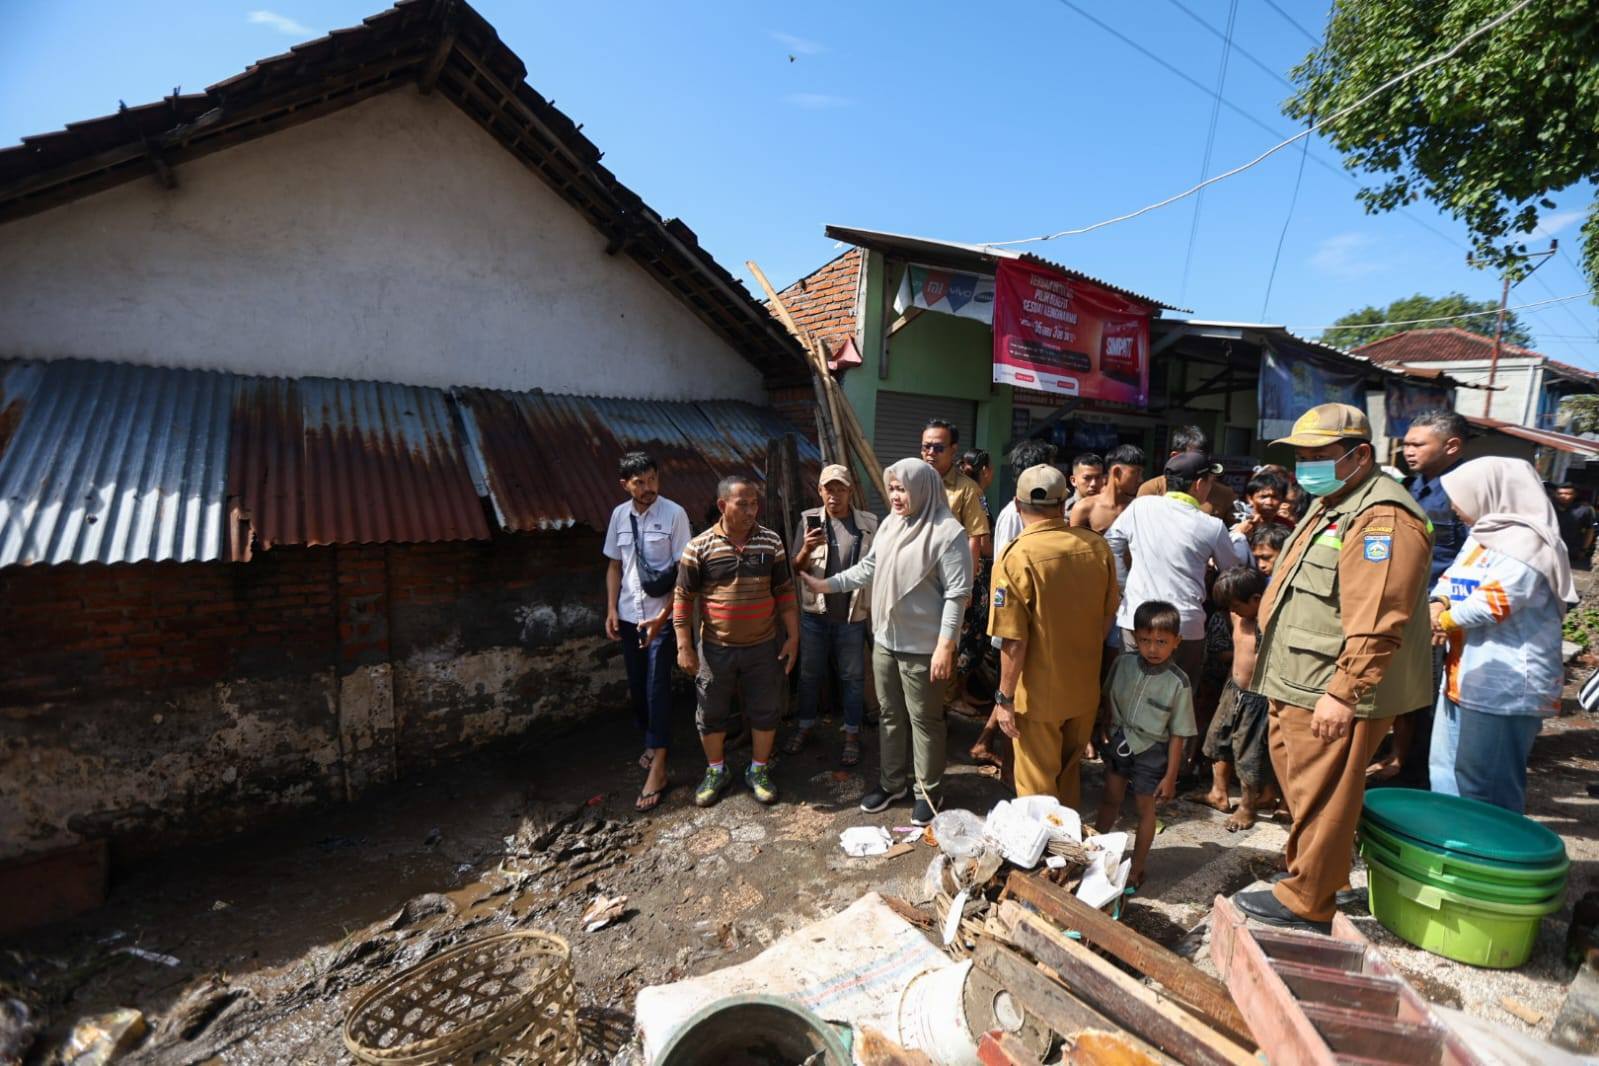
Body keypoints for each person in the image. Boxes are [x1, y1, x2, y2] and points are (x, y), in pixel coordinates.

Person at [1236, 404, 1432, 933]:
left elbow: (1378, 616)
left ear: (1359, 455)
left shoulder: (1382, 517)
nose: (1305, 468)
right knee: (1306, 786)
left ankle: (1308, 898)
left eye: (1318, 456)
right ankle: (1322, 874)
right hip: (1300, 676)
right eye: (1301, 457)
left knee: (1324, 793)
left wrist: (1343, 693)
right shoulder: (1334, 503)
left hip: (1330, 684)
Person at [803, 459, 973, 826]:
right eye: (892, 488)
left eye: (902, 488)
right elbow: (869, 568)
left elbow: (958, 593)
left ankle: (928, 791)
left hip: (924, 647)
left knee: (925, 721)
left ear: (924, 489)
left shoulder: (948, 532)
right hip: (886, 640)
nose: (895, 496)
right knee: (890, 716)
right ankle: (892, 783)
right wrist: (827, 584)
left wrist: (946, 645)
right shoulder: (892, 525)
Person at [1429, 457, 1577, 812]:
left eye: (1459, 497)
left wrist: (1440, 621)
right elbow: (1451, 578)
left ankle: (1489, 861)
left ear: (1490, 492)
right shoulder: (1482, 535)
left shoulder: (1530, 542)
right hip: (1462, 675)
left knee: (1486, 787)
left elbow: (1495, 602)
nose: (1452, 507)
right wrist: (1438, 602)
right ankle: (1453, 849)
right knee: (1446, 774)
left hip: (1504, 685)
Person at [986, 465, 1120, 807]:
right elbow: (1107, 617)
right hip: (1083, 689)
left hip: (1038, 696)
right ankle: (1070, 853)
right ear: (1064, 503)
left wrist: (1004, 698)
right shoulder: (1096, 547)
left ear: (1017, 505)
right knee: (1068, 777)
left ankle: (1047, 858)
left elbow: (1013, 639)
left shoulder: (1017, 556)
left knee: (1036, 792)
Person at [673, 476, 800, 808]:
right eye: (742, 503)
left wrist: (793, 637)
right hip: (715, 649)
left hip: (763, 646)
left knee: (766, 710)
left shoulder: (770, 542)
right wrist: (683, 645)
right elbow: (683, 598)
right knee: (711, 712)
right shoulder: (698, 547)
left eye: (754, 503)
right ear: (722, 506)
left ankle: (758, 770)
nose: (750, 510)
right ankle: (716, 770)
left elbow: (784, 592)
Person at [1105, 452, 1250, 682]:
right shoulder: (1212, 526)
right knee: (1178, 699)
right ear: (1199, 484)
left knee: (1130, 694)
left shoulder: (1139, 507)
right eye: (1210, 483)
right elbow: (1232, 570)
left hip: (1135, 617)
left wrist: (1123, 586)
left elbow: (1110, 544)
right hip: (1184, 626)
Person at [1383, 409, 1471, 785]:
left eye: (1419, 444)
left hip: (1441, 614)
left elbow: (1471, 562)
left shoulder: (1467, 491)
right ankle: (1400, 758)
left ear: (1451, 446)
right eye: (1406, 444)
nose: (1408, 451)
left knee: (1431, 700)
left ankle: (1421, 774)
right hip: (1406, 606)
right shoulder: (1412, 486)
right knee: (1405, 690)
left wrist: (1445, 611)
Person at [603, 452, 694, 812]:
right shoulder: (618, 516)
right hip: (628, 615)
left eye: (652, 479)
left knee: (657, 687)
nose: (648, 488)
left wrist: (663, 620)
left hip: (662, 617)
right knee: (638, 687)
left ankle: (659, 767)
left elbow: (684, 572)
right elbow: (614, 565)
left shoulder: (674, 514)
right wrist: (611, 608)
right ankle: (651, 741)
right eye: (639, 482)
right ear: (625, 484)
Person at [1095, 600, 1197, 888]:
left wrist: (1171, 776)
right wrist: (1104, 726)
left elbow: (1179, 733)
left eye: (1162, 642)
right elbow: (1107, 699)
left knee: (1145, 810)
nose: (1153, 649)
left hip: (1151, 753)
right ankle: (1092, 850)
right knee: (1110, 799)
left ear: (1177, 642)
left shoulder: (1179, 683)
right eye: (1145, 640)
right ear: (1134, 637)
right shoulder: (1123, 663)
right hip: (1119, 741)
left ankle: (1138, 867)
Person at [973, 439, 1059, 766]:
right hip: (1013, 616)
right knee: (1011, 694)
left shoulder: (1021, 512)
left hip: (1014, 614)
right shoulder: (1016, 514)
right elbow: (1006, 566)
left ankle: (986, 743)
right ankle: (1009, 765)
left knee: (1009, 690)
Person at [787, 464, 878, 767]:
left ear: (850, 490)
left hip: (853, 617)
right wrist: (807, 548)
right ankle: (805, 726)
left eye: (840, 488)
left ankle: (851, 734)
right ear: (820, 491)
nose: (834, 495)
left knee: (852, 678)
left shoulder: (868, 524)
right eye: (829, 489)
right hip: (815, 615)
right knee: (810, 675)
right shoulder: (809, 521)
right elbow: (796, 567)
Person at [1201, 566, 1279, 831]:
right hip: (1233, 689)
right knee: (1217, 741)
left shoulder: (1268, 622)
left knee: (1249, 756)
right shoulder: (1237, 617)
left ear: (1257, 599)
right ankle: (1218, 793)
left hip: (1257, 698)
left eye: (1236, 606)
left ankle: (1249, 806)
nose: (1232, 612)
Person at [921, 419, 990, 569]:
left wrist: (965, 586)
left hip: (947, 575)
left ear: (953, 449)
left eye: (938, 448)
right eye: (926, 447)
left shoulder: (968, 489)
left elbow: (975, 538)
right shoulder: (911, 483)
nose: (931, 452)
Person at [1137, 425, 1239, 517]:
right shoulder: (1150, 490)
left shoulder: (1225, 494)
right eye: (1195, 459)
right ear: (1175, 456)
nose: (1201, 463)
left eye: (1204, 458)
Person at [992, 440, 1061, 562]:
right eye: (1051, 466)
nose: (1054, 472)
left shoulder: (1044, 507)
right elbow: (1006, 562)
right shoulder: (1013, 514)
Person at [1070, 444, 1146, 533]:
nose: (1140, 479)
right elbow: (1075, 545)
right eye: (1135, 473)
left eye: (1141, 473)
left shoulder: (1138, 509)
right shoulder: (1084, 508)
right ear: (1117, 472)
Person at [1554, 484, 1596, 570]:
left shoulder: (1584, 510)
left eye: (1567, 493)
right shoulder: (1550, 508)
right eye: (1560, 493)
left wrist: (1584, 549)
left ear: (1575, 495)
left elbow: (1590, 530)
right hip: (1549, 548)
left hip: (1571, 551)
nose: (1563, 496)